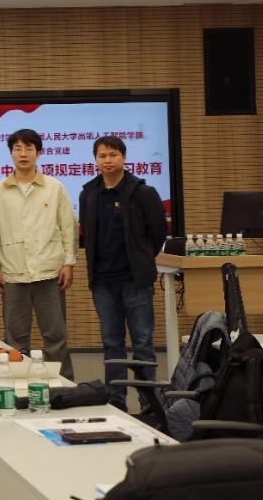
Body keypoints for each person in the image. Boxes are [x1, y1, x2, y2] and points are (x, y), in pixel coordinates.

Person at [79, 135, 166, 411]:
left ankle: (149, 404)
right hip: (103, 282)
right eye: (102, 156)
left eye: (113, 154)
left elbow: (157, 233)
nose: (107, 160)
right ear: (96, 160)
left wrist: (141, 260)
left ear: (124, 158)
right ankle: (116, 403)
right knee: (111, 344)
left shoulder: (142, 193)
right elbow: (87, 234)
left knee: (143, 344)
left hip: (135, 281)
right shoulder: (88, 193)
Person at [0, 128, 77, 380]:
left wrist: (69, 262)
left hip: (49, 271)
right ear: (11, 153)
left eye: (29, 148)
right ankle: (18, 388)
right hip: (12, 272)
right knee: (15, 338)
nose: (23, 154)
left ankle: (63, 387)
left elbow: (68, 227)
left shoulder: (54, 187)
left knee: (55, 336)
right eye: (17, 148)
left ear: (38, 152)